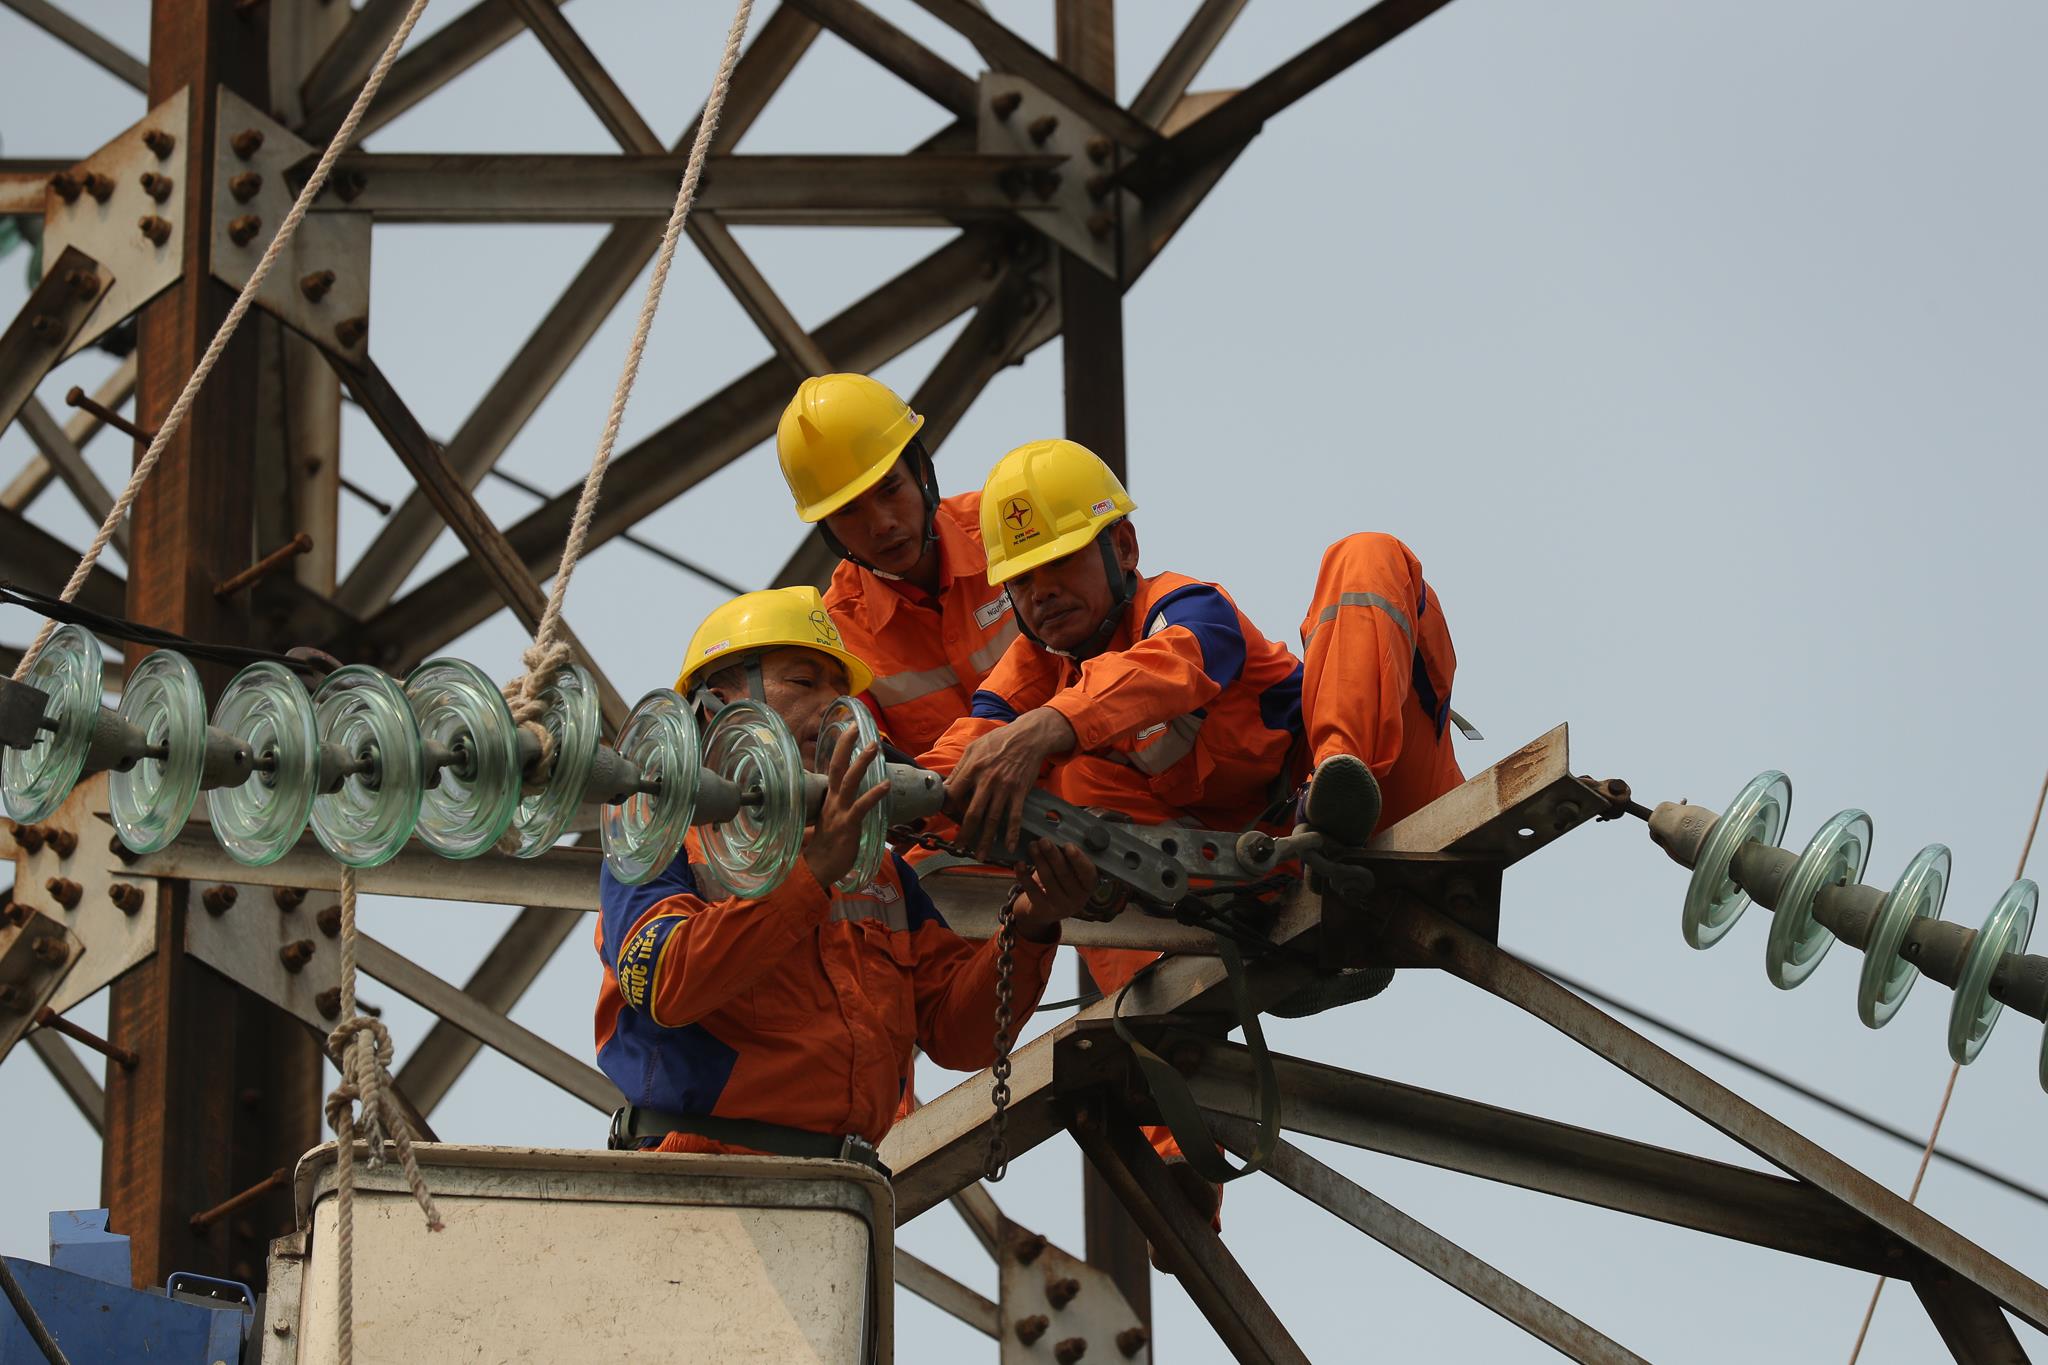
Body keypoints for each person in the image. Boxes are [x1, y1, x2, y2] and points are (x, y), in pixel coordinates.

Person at [594, 586, 1097, 1159]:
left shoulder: (875, 868)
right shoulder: (662, 841)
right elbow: (664, 983)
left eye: (842, 690)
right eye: (805, 683)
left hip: (842, 1190)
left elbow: (960, 1036)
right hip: (703, 1178)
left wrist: (1030, 924)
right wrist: (810, 875)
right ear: (717, 705)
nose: (836, 709)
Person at [922, 437, 1465, 860]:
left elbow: (1172, 663)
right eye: (1021, 581)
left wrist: (1047, 727)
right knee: (1074, 786)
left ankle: (1337, 782)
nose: (1041, 592)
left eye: (1061, 561)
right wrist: (868, 795)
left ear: (1125, 547)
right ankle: (1170, 973)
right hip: (1267, 874)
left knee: (1365, 554)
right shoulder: (1034, 673)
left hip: (1393, 798)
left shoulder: (1185, 608)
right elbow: (963, 758)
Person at [775, 373, 1020, 756]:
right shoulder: (839, 638)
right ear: (827, 527)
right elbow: (873, 775)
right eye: (849, 511)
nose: (881, 524)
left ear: (921, 471)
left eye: (890, 490)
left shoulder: (1011, 528)